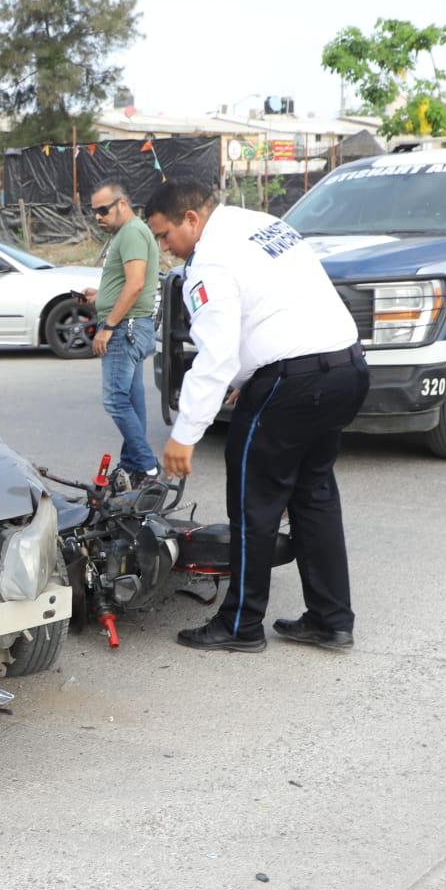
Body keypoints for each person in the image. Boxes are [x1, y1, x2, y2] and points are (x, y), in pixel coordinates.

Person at [145, 179, 368, 653]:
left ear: (191, 219)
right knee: (314, 497)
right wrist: (247, 379)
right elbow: (276, 308)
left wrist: (184, 434)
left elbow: (216, 354)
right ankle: (331, 620)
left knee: (254, 505)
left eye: (165, 236)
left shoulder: (208, 260)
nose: (165, 248)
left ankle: (241, 625)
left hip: (294, 384)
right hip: (346, 368)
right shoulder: (265, 224)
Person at [82, 180, 162, 490]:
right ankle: (134, 467)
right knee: (131, 398)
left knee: (115, 400)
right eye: (94, 212)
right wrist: (100, 295)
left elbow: (136, 283)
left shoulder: (131, 233)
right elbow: (126, 284)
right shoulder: (129, 233)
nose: (98, 217)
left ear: (122, 204)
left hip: (125, 328)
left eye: (103, 210)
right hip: (132, 325)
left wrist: (108, 326)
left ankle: (149, 469)